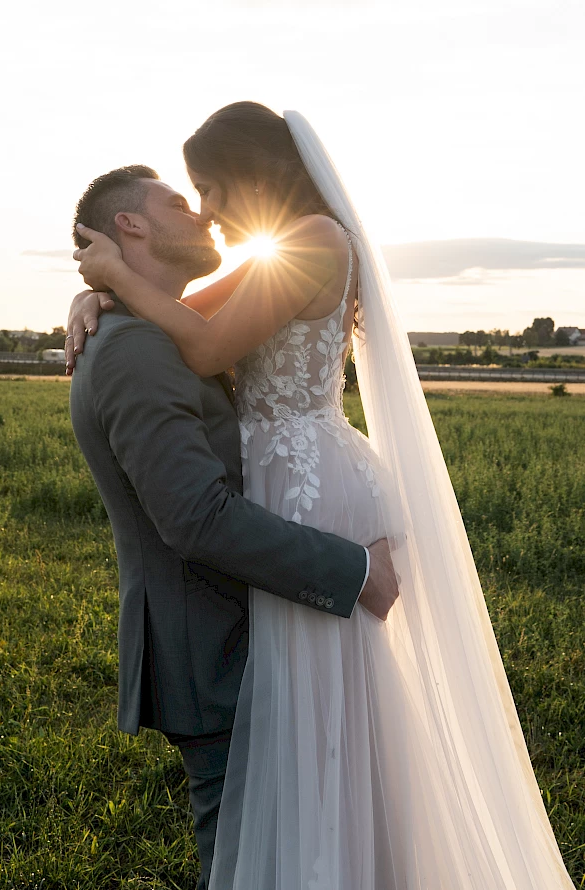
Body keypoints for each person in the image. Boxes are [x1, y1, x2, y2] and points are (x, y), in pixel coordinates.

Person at [68, 105, 575, 889]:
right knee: (314, 711)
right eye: (187, 195)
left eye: (208, 186)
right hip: (281, 474)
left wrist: (116, 278)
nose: (204, 207)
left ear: (250, 171)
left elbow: (198, 341)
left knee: (334, 709)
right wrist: (94, 298)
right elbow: (184, 316)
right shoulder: (281, 249)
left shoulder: (314, 239)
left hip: (310, 477)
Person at [67, 162, 399, 890]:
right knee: (245, 861)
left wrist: (98, 289)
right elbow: (197, 518)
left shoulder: (150, 329)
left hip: (242, 630)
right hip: (213, 652)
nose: (204, 214)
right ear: (131, 225)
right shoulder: (135, 350)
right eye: (182, 201)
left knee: (286, 846)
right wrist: (356, 571)